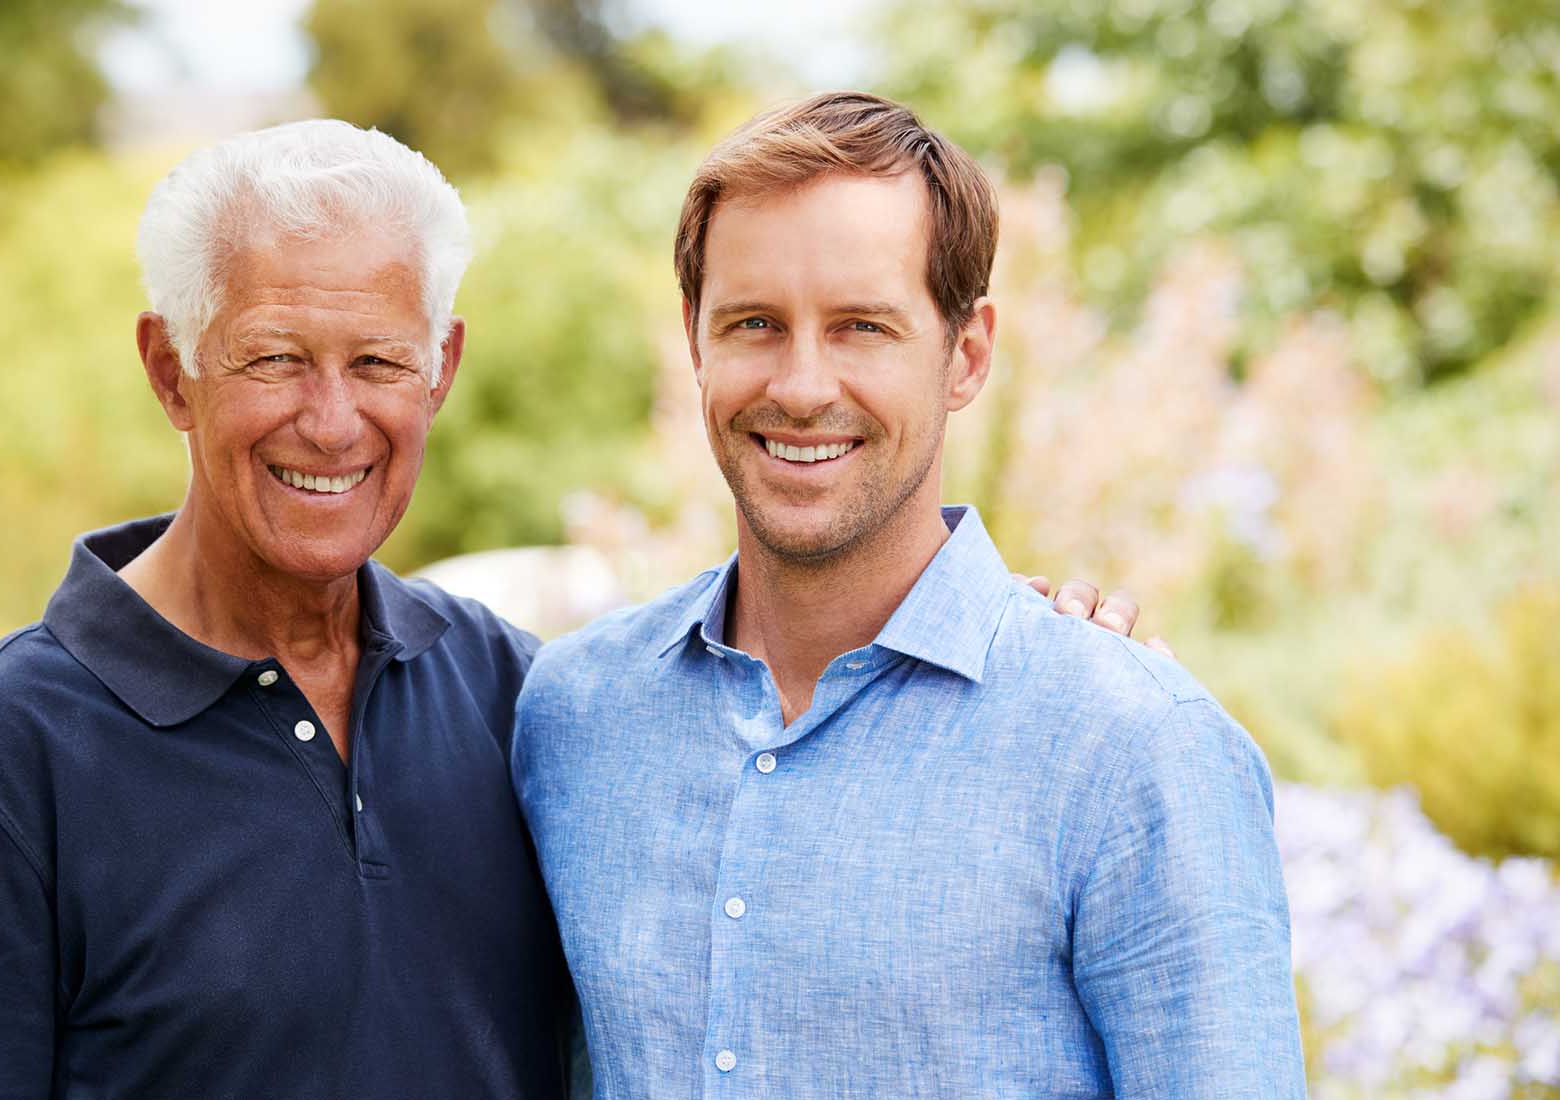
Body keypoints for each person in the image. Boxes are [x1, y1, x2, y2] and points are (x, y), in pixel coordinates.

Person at [0, 119, 1143, 1096]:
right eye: (274, 358)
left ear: (443, 369)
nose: (332, 418)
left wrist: (1020, 643)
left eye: (378, 362)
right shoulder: (4, 768)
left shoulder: (523, 701)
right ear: (170, 369)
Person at [510, 91, 1305, 1098]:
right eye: (754, 322)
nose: (801, 385)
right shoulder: (574, 715)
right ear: (694, 337)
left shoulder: (1131, 747)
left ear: (965, 353)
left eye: (862, 327)